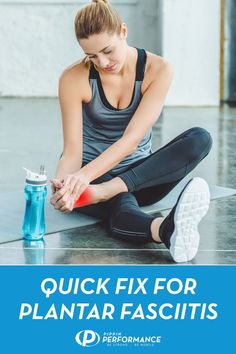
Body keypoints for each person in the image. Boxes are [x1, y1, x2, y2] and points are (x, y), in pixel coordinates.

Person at [50, 0, 213, 263]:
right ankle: (165, 230)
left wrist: (86, 181)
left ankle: (108, 193)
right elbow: (71, 150)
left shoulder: (158, 69)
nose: (102, 62)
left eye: (107, 50)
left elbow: (132, 139)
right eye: (91, 56)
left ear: (123, 32)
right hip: (93, 181)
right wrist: (65, 186)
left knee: (200, 138)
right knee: (121, 203)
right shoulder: (73, 78)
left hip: (139, 176)